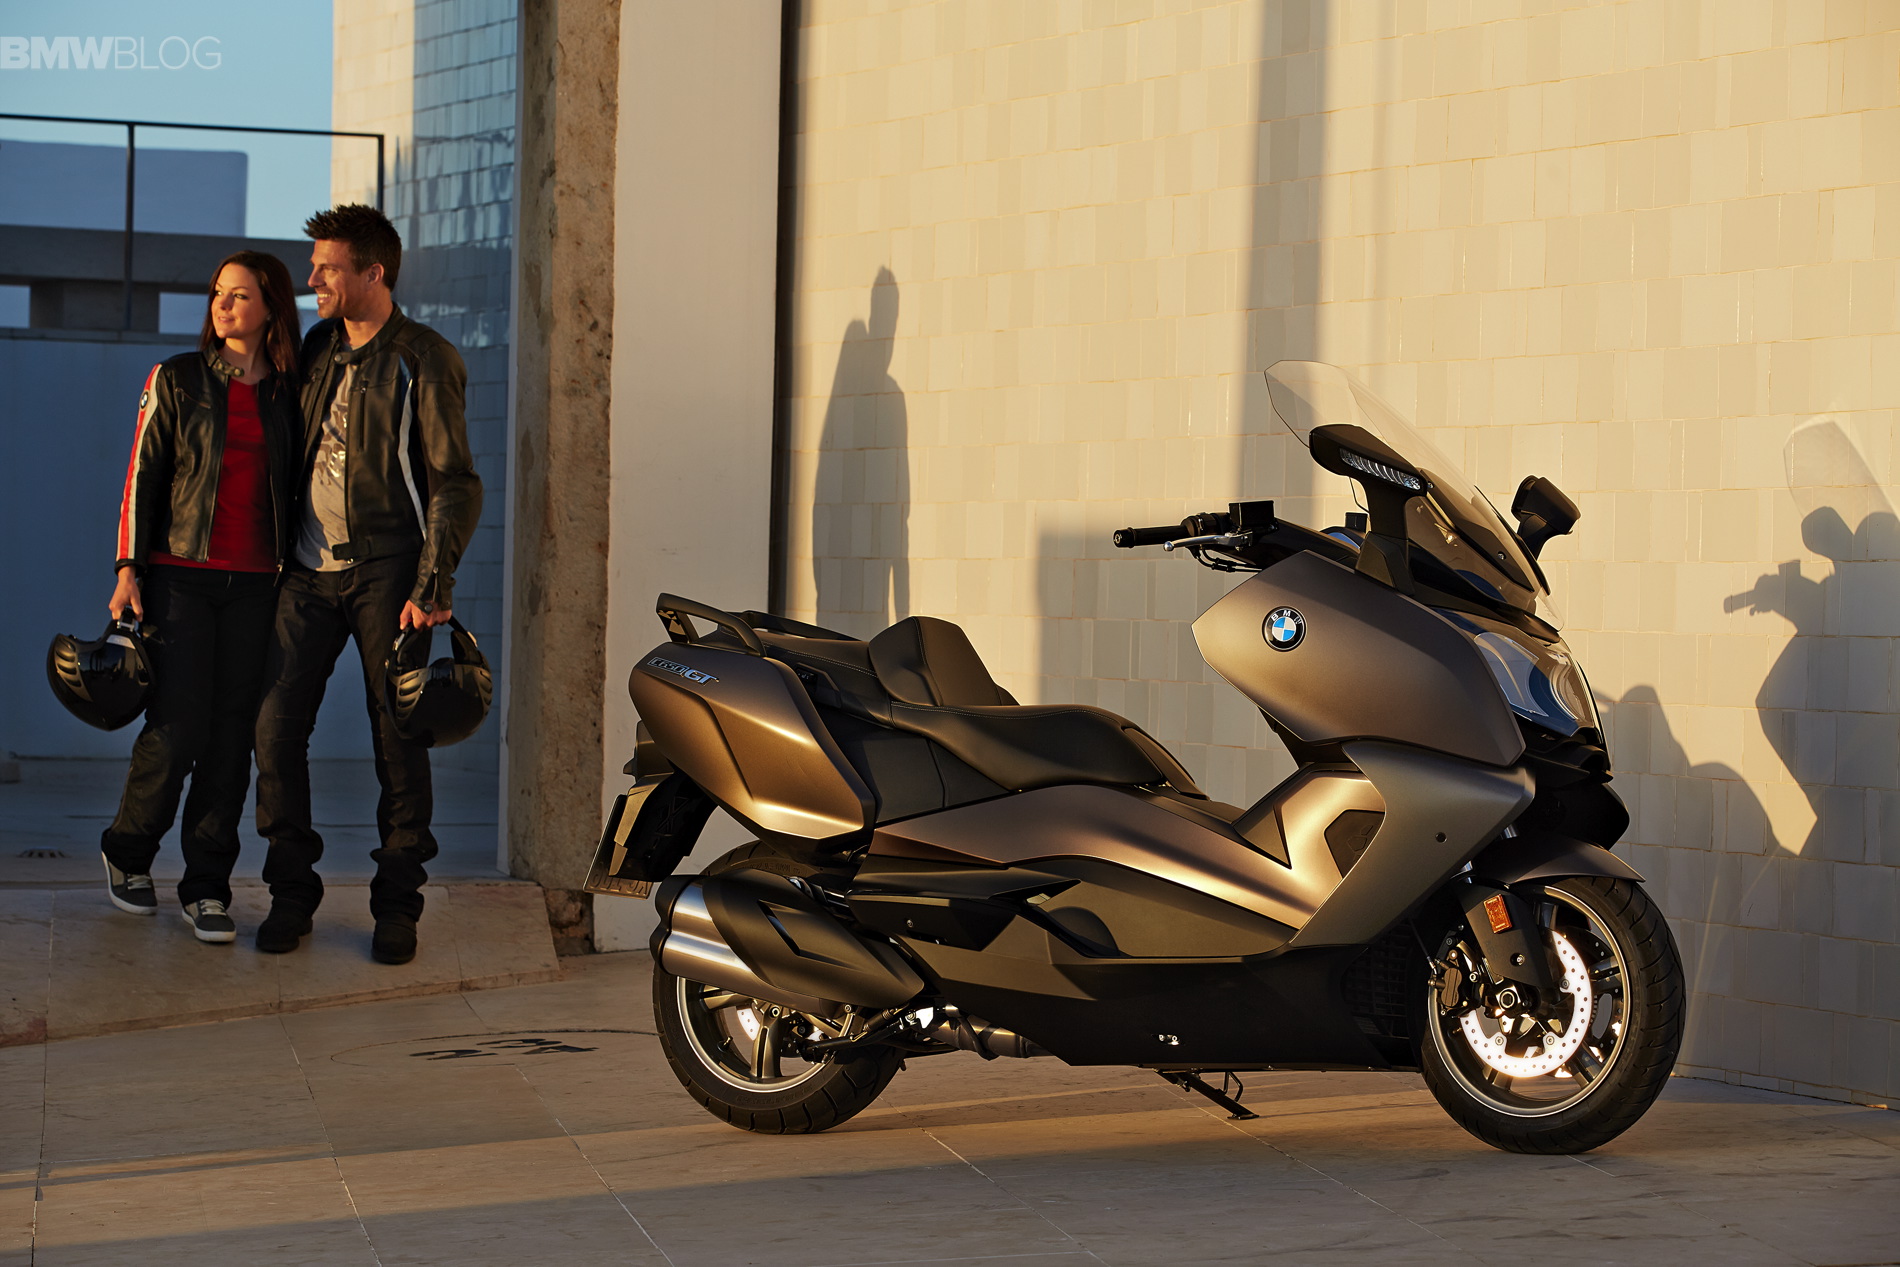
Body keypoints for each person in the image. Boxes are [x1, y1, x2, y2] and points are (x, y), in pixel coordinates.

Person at [252, 204, 482, 964]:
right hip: (306, 573)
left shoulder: (425, 357)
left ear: (372, 273)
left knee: (398, 735)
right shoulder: (316, 347)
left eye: (328, 267)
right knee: (274, 727)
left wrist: (434, 579)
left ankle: (397, 904)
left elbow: (454, 480)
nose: (313, 278)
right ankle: (291, 893)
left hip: (389, 569)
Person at [100, 251, 304, 943]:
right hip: (180, 575)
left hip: (257, 585)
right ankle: (128, 850)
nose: (223, 305)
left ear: (271, 307)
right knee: (178, 725)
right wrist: (128, 568)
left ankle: (207, 886)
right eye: (218, 292)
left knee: (230, 738)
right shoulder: (177, 379)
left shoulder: (289, 392)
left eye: (240, 295)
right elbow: (142, 476)